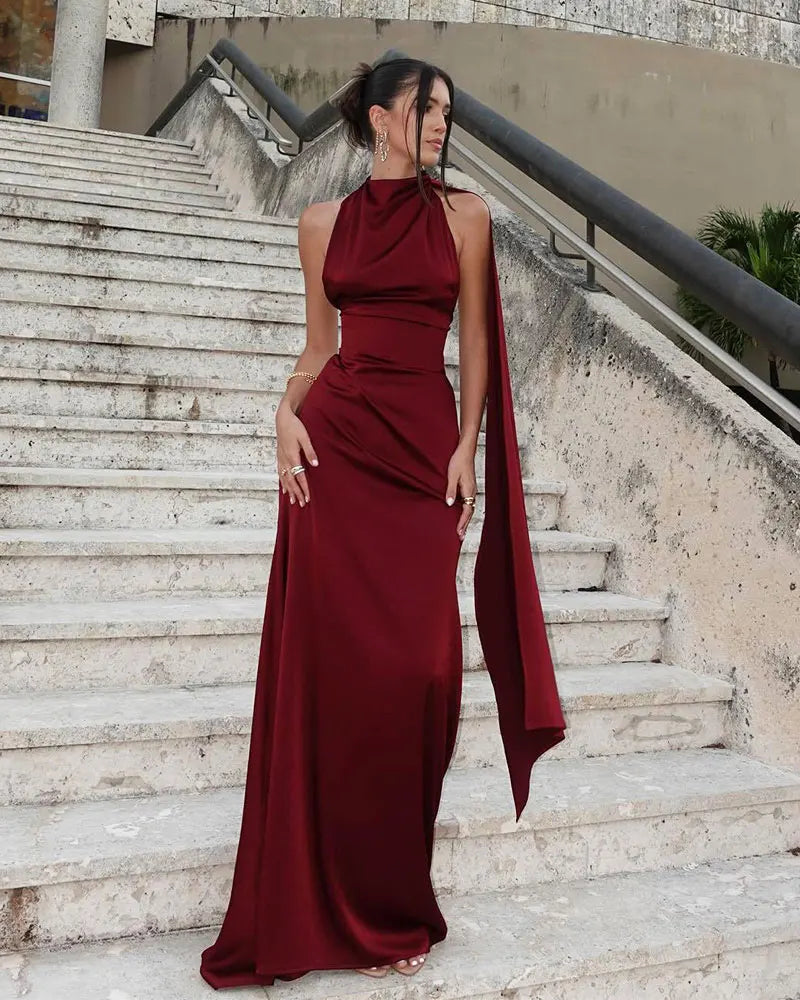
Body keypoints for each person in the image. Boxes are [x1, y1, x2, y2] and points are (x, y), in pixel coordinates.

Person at [199, 56, 566, 990]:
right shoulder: (320, 225)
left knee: (423, 675)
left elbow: (476, 341)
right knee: (331, 679)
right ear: (378, 118)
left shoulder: (465, 218)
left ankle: (391, 894)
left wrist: (469, 448)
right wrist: (283, 413)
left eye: (447, 108)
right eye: (425, 108)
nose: (440, 122)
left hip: (419, 455)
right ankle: (318, 900)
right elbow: (319, 351)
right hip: (334, 458)